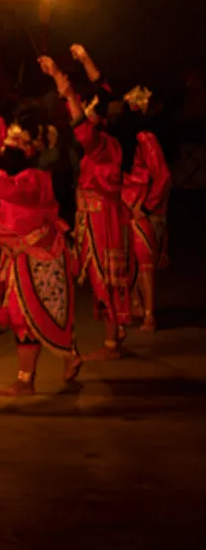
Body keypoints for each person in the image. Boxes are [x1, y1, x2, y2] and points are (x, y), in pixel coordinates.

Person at [0, 75, 82, 395]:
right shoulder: (21, 156)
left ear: (32, 145)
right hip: (23, 252)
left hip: (38, 254)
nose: (6, 143)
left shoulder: (39, 177)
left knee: (31, 314)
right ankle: (66, 358)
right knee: (36, 313)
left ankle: (28, 380)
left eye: (14, 142)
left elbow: (13, 189)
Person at [40, 47, 134, 357]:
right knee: (104, 277)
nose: (91, 109)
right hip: (100, 215)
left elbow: (82, 128)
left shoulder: (103, 146)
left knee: (103, 277)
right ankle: (115, 334)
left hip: (102, 219)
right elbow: (106, 92)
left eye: (94, 110)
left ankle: (111, 341)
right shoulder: (110, 142)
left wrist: (67, 93)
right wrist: (80, 62)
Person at [112, 85, 171, 331]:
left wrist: (147, 207)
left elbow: (163, 176)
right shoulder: (120, 141)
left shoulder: (145, 139)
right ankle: (135, 303)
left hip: (140, 205)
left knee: (144, 259)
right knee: (125, 261)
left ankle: (149, 314)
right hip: (122, 206)